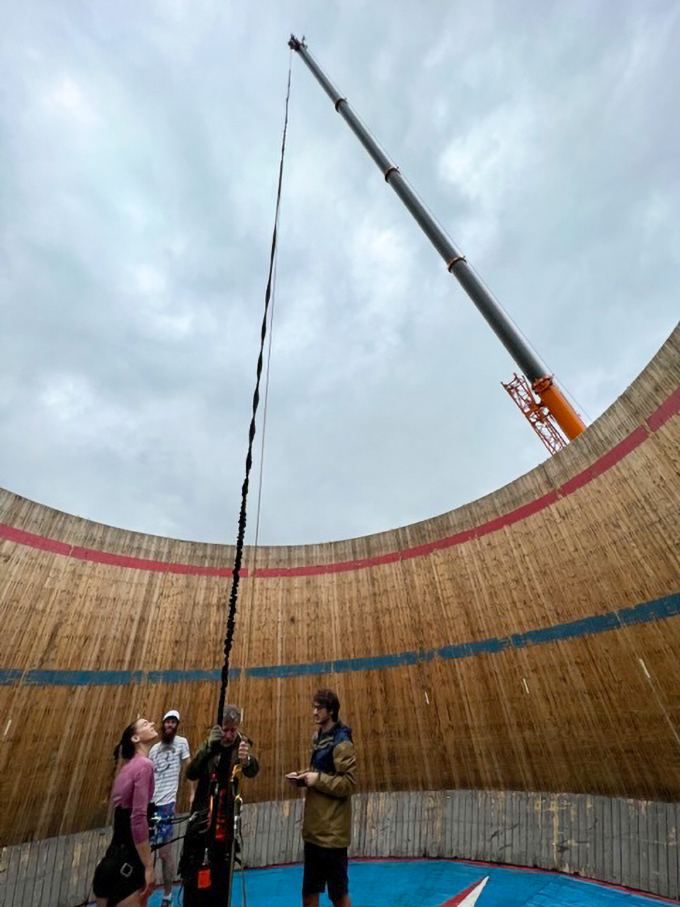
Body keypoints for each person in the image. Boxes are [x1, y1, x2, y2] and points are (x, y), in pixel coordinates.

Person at [180, 704, 259, 906]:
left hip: (226, 826)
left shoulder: (241, 743)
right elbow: (191, 772)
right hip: (202, 823)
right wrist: (208, 748)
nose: (229, 734)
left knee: (221, 885)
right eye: (226, 729)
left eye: (233, 730)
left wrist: (247, 760)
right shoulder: (209, 743)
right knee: (194, 882)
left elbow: (252, 770)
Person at [286, 688, 357, 907]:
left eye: (319, 708)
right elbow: (320, 771)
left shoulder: (342, 741)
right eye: (313, 707)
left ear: (332, 710)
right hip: (314, 832)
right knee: (309, 892)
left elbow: (349, 783)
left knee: (338, 895)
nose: (314, 712)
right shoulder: (317, 737)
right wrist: (302, 777)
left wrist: (317, 780)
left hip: (332, 834)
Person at [92, 717, 158, 907]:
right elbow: (137, 819)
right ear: (135, 739)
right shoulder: (144, 766)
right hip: (128, 866)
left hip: (109, 863)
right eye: (145, 724)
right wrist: (148, 866)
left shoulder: (127, 768)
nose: (152, 724)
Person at [148, 708, 194, 907]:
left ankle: (167, 896)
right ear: (163, 723)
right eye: (168, 722)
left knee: (164, 852)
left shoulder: (181, 743)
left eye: (174, 723)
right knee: (147, 855)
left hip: (167, 804)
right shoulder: (153, 750)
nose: (170, 725)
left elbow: (189, 769)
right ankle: (145, 894)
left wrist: (193, 793)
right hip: (151, 804)